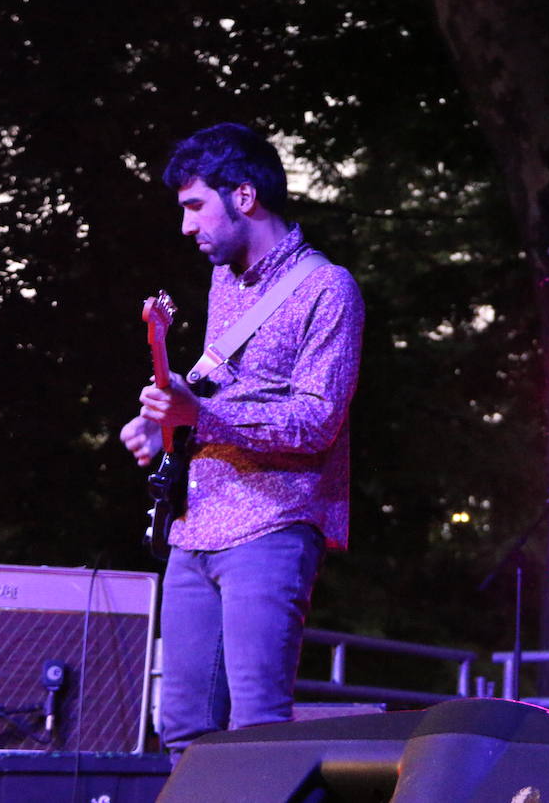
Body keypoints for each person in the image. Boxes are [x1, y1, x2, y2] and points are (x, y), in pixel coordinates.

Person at [119, 122, 363, 757]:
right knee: (181, 734)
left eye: (195, 206)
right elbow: (218, 385)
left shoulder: (327, 287)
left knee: (255, 733)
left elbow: (316, 423)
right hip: (192, 527)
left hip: (272, 526)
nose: (186, 226)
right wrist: (161, 417)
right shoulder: (225, 282)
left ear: (245, 196)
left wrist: (200, 419)